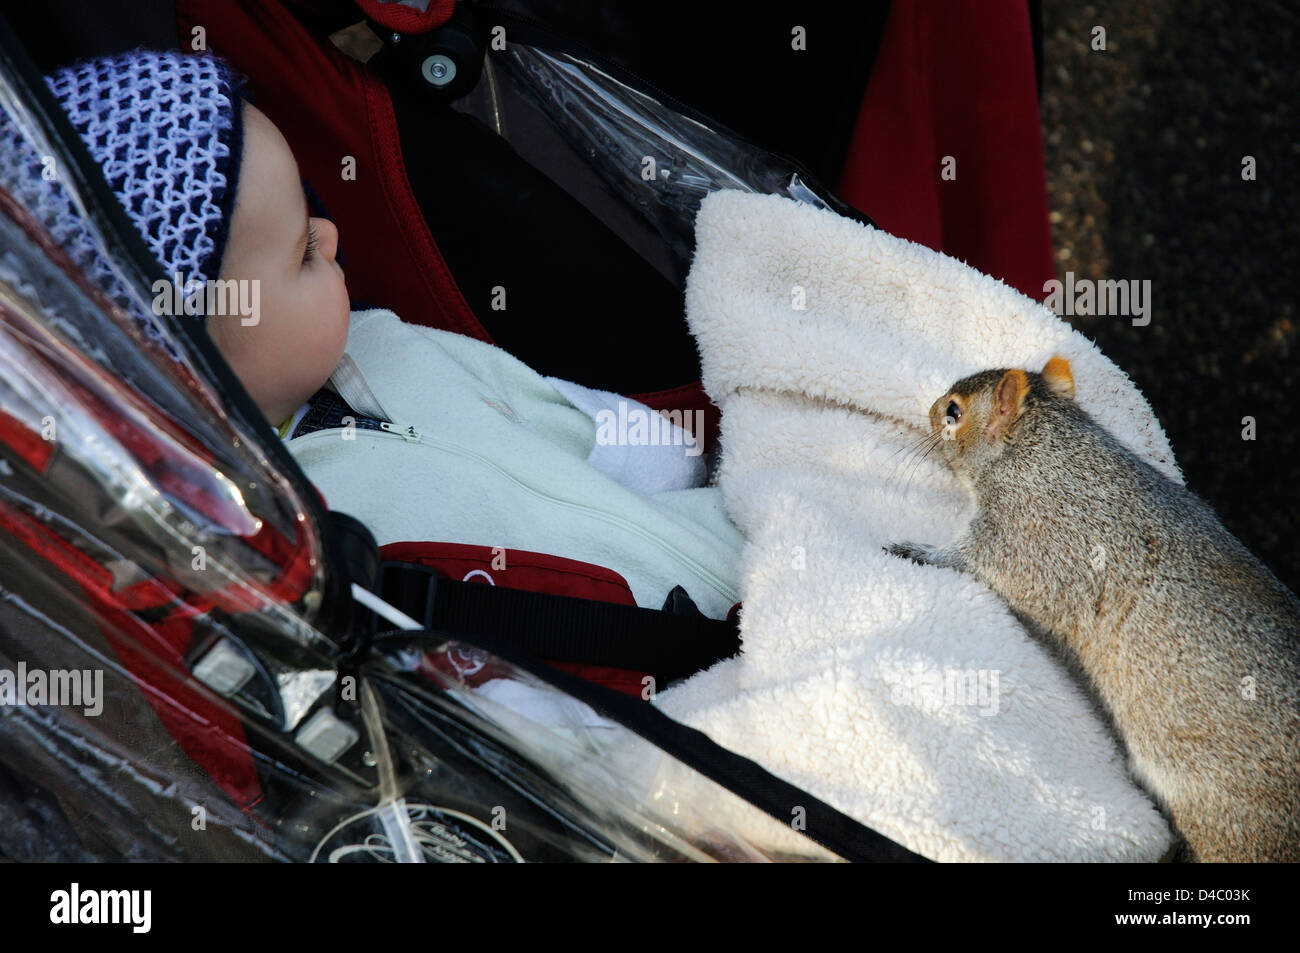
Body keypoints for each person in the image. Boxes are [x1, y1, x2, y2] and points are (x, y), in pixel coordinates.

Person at [46, 49, 743, 619]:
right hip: (655, 683)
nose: (331, 231)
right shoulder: (299, 555)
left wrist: (703, 466)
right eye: (303, 252)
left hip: (727, 543)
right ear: (197, 367)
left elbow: (570, 418)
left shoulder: (391, 346)